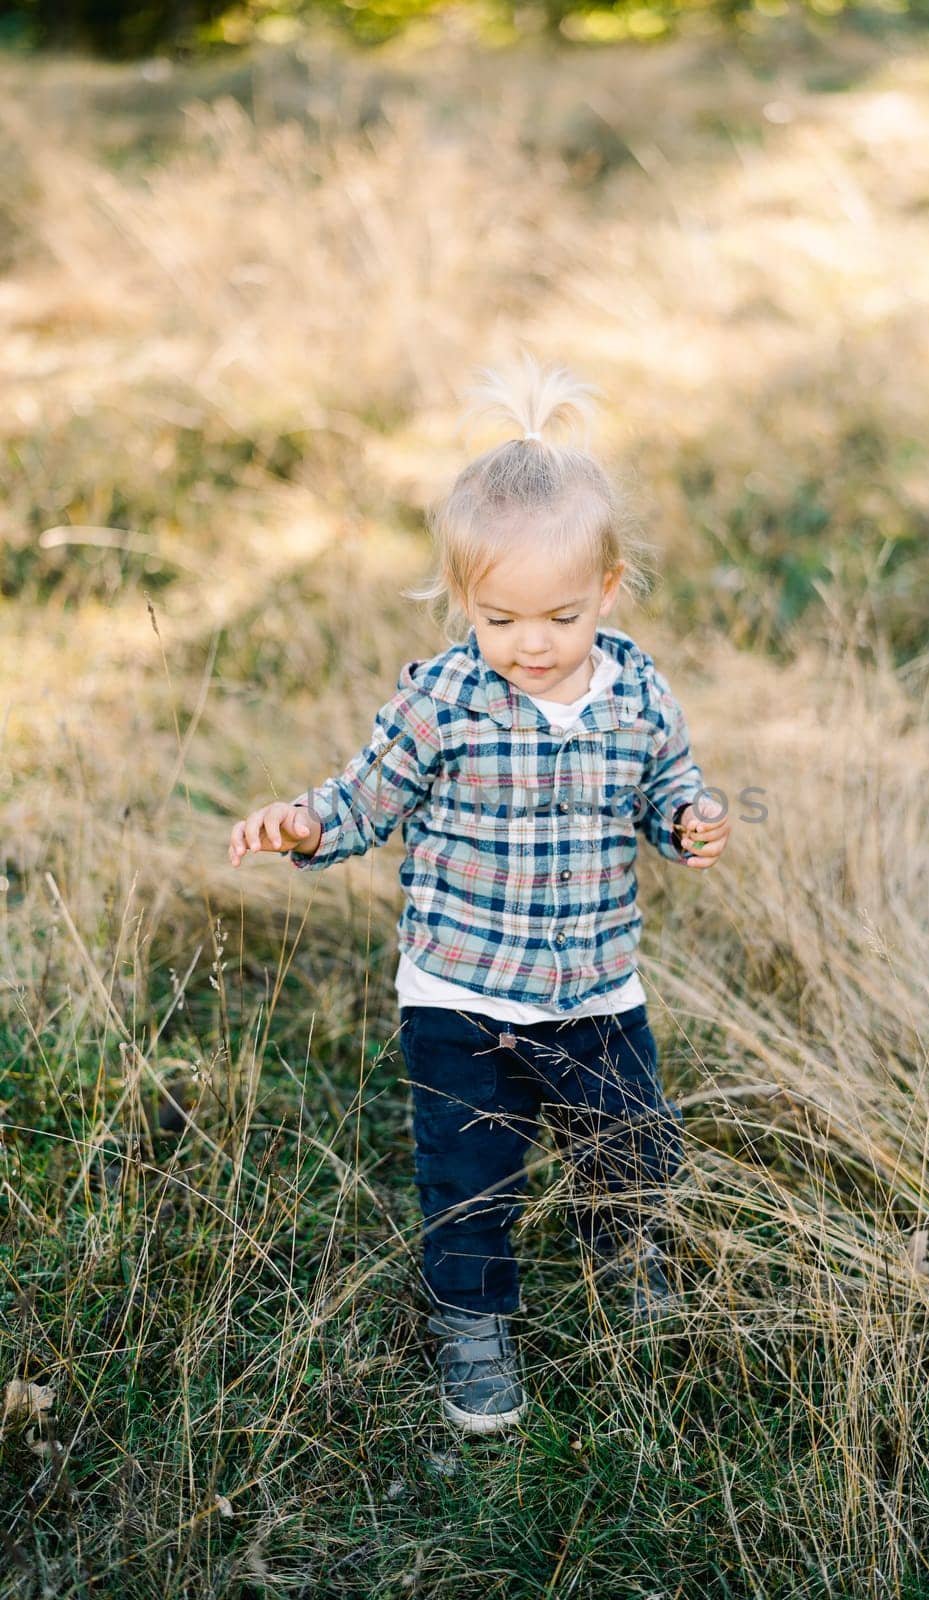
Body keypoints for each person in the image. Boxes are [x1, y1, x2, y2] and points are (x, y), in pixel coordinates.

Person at [228, 354, 731, 1436]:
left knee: (630, 1145)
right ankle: (472, 1326)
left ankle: (622, 1252)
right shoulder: (441, 699)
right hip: (458, 994)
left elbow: (662, 787)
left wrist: (688, 820)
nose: (530, 645)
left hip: (596, 990)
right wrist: (308, 823)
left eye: (556, 615)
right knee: (468, 1171)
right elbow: (368, 796)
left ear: (605, 589)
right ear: (463, 598)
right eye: (499, 619)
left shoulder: (637, 690)